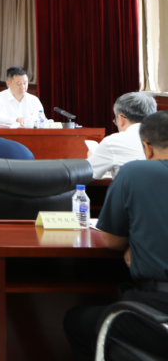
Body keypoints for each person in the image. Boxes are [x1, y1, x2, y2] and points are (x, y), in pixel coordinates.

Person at [64, 111, 168, 361]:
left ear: (147, 147)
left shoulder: (136, 173)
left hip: (159, 310)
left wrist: (135, 242)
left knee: (77, 321)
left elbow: (112, 240)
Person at [88, 92, 158, 179]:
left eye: (116, 120)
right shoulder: (162, 138)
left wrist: (90, 159)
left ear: (121, 119)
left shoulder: (113, 142)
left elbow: (88, 174)